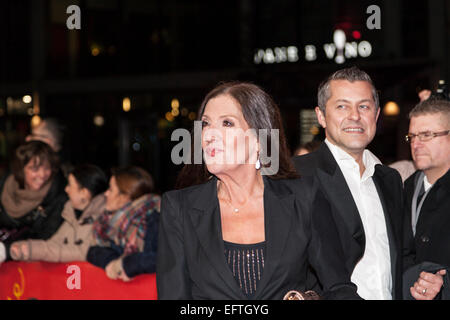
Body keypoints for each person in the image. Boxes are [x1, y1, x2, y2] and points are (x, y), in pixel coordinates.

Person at [157, 81, 360, 300]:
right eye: (205, 124)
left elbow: (339, 289)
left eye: (226, 123)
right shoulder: (179, 208)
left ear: (259, 141)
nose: (208, 135)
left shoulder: (303, 198)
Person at [292, 66, 404, 300]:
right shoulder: (297, 175)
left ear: (376, 115)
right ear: (321, 116)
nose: (355, 115)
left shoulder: (390, 180)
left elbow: (402, 256)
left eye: (364, 106)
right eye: (342, 106)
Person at [9, 164, 107, 262]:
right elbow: (53, 245)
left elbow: (81, 253)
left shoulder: (103, 220)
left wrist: (32, 250)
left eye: (70, 185)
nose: (66, 189)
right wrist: (25, 250)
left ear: (83, 193)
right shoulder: (71, 215)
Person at [403, 98, 450, 300]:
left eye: (427, 135)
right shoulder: (405, 188)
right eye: (412, 136)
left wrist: (445, 283)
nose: (416, 143)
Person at [86, 166, 160, 281]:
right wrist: (112, 263)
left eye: (110, 189)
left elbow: (165, 258)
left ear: (125, 196)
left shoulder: (154, 220)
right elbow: (93, 251)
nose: (106, 194)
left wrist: (126, 265)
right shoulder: (108, 221)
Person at [0, 141, 67, 265]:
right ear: (21, 169)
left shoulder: (59, 197)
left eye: (47, 168)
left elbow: (46, 239)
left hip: (31, 268)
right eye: (34, 169)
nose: (42, 175)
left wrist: (7, 250)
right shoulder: (5, 185)